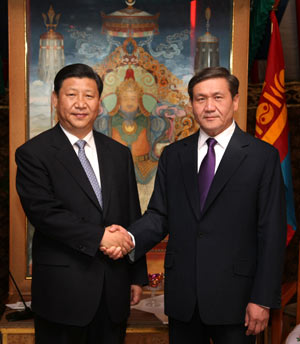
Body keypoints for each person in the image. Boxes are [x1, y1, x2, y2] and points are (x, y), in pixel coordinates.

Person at [103, 67, 287, 343]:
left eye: (217, 97)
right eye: (200, 99)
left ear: (235, 101)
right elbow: (159, 215)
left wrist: (262, 299)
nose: (209, 107)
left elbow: (272, 233)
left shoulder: (262, 157)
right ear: (191, 105)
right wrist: (128, 238)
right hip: (184, 300)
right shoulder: (174, 155)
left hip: (237, 300)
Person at [15, 63, 148, 344]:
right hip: (62, 295)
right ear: (55, 100)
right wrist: (99, 236)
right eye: (71, 95)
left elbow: (131, 212)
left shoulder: (118, 153)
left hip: (113, 290)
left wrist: (136, 275)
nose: (80, 104)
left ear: (99, 104)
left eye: (89, 96)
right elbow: (45, 214)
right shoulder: (33, 154)